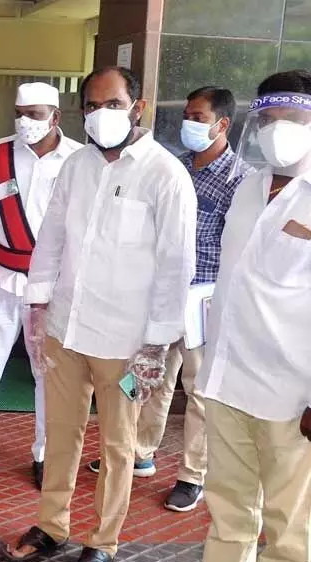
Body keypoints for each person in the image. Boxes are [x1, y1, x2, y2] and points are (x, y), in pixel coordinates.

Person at [2, 66, 196, 562]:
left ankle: (102, 541)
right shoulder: (78, 166)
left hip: (128, 344)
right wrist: (38, 310)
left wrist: (156, 342)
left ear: (139, 107)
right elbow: (52, 241)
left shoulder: (165, 174)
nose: (98, 115)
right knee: (59, 435)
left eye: (111, 104)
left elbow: (177, 265)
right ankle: (52, 525)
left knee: (117, 446)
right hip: (67, 328)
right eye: (90, 105)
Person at [87, 86, 253, 513]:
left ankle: (192, 474)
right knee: (151, 377)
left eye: (199, 118)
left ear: (223, 125)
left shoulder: (242, 181)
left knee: (197, 390)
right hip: (162, 293)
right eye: (188, 116)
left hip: (205, 298)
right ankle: (141, 451)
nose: (190, 125)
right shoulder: (172, 167)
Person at [177, 69, 311, 562]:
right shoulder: (250, 185)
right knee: (228, 506)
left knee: (288, 524)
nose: (280, 129)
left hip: (291, 396)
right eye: (271, 118)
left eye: (295, 118)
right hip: (230, 381)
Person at [0, 82, 82, 489]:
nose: (25, 122)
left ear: (55, 117)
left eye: (34, 114)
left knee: (46, 373)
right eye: (20, 113)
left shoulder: (78, 160)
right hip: (0, 279)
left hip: (49, 287)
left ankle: (45, 453)